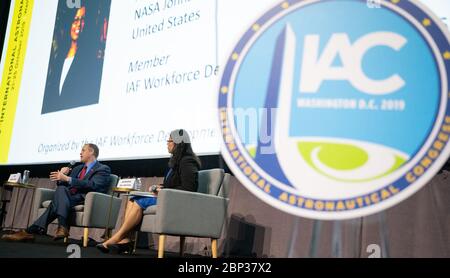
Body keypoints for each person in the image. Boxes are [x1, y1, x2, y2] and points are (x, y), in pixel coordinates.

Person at [96, 129, 201, 254]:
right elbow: (174, 184)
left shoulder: (187, 161)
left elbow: (189, 188)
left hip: (178, 202)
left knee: (139, 202)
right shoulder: (176, 162)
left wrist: (164, 190)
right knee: (132, 199)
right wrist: (160, 187)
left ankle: (117, 237)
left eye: (170, 140)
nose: (167, 143)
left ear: (179, 143)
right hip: (169, 197)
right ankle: (126, 240)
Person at [1, 144, 111, 242]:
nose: (80, 153)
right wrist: (61, 177)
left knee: (57, 201)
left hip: (86, 198)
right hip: (69, 197)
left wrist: (67, 179)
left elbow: (94, 185)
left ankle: (31, 231)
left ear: (91, 152)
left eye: (83, 150)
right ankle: (60, 227)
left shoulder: (102, 168)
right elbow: (63, 186)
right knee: (61, 190)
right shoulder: (77, 168)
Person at [41, 2, 108, 114]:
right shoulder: (59, 59)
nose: (79, 24)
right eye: (75, 19)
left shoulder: (88, 60)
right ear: (70, 24)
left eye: (83, 20)